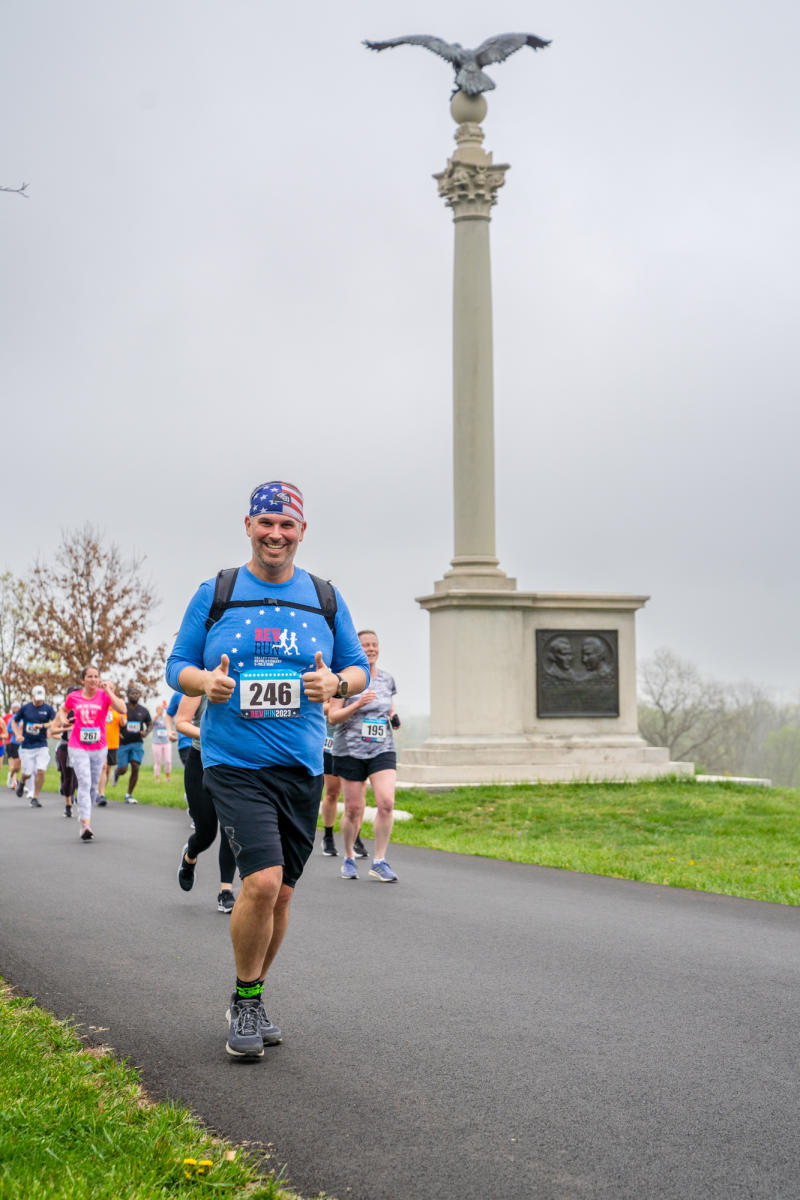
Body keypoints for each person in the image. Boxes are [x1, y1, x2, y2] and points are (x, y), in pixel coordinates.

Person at [166, 479, 368, 1060]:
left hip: (301, 766)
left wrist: (335, 683)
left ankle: (250, 994)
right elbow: (177, 663)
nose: (275, 534)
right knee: (260, 881)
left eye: (287, 525)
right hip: (234, 764)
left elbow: (357, 670)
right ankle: (248, 1000)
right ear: (248, 526)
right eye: (265, 523)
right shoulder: (218, 592)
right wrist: (204, 682)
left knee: (280, 896)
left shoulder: (325, 597)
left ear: (302, 531)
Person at [329, 629, 401, 883]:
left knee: (386, 803)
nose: (371, 649)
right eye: (365, 645)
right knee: (353, 809)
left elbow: (388, 705)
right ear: (357, 649)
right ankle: (348, 856)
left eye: (374, 645)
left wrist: (393, 717)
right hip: (350, 750)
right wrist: (358, 704)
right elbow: (333, 717)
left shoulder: (387, 679)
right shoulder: (346, 681)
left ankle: (379, 861)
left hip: (382, 748)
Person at [175, 692, 239, 913]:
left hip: (234, 764)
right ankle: (189, 856)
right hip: (200, 762)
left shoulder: (247, 677)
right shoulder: (200, 683)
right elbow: (181, 722)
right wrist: (210, 734)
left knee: (231, 829)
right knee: (206, 833)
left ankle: (226, 891)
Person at [54, 667, 126, 840]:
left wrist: (109, 690)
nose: (93, 679)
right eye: (90, 677)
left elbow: (122, 709)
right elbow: (63, 710)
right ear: (83, 680)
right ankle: (86, 824)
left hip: (99, 747)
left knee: (93, 785)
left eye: (96, 676)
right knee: (85, 782)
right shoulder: (74, 696)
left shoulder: (104, 695)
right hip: (77, 746)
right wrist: (64, 719)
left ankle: (85, 812)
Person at [319, 703, 368, 859]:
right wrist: (349, 706)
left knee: (358, 794)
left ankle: (355, 837)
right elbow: (321, 707)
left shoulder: (364, 682)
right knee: (332, 793)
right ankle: (328, 836)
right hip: (331, 741)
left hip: (357, 742)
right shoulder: (332, 679)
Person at [13, 686, 57, 807]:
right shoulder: (25, 708)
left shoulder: (48, 708)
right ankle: (21, 782)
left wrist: (42, 725)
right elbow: (14, 721)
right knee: (27, 773)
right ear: (32, 696)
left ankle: (35, 797)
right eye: (37, 699)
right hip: (27, 746)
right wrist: (17, 734)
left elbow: (55, 721)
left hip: (41, 745)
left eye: (41, 699)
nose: (39, 701)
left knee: (41, 770)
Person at [113, 684, 152, 803]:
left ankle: (128, 794)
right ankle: (116, 772)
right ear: (128, 695)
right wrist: (117, 732)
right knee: (123, 769)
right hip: (123, 743)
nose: (135, 696)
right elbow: (114, 721)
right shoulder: (122, 708)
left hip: (137, 743)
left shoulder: (143, 710)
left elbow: (150, 724)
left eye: (137, 694)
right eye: (132, 694)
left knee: (135, 766)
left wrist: (146, 732)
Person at [97, 697, 124, 805]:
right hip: (99, 741)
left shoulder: (118, 705)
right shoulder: (99, 702)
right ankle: (101, 794)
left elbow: (123, 722)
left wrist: (123, 721)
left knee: (108, 770)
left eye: (112, 688)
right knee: (103, 767)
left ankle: (100, 791)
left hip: (112, 742)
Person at [151, 700, 173, 782]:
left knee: (168, 761)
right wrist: (158, 714)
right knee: (158, 762)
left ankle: (167, 777)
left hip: (166, 742)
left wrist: (167, 708)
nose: (160, 711)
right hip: (156, 743)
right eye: (159, 709)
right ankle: (157, 778)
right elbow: (152, 723)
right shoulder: (155, 718)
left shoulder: (166, 719)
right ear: (156, 710)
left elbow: (172, 721)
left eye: (161, 709)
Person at [4, 702, 21, 790]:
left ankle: (11, 778)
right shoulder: (8, 717)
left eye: (17, 707)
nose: (15, 709)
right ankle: (14, 781)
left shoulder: (22, 717)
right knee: (13, 764)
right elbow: (7, 728)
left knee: (19, 765)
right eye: (14, 707)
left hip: (21, 743)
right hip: (10, 742)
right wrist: (16, 731)